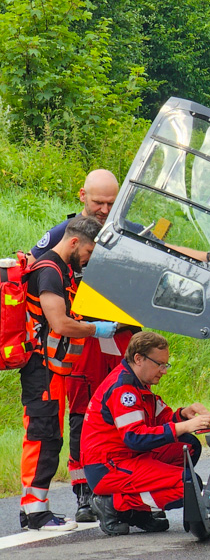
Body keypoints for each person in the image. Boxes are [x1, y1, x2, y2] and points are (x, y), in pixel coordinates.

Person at [28, 169, 136, 523]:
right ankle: (84, 493)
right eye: (98, 202)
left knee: (127, 403)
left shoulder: (126, 228)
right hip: (83, 337)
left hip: (119, 334)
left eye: (111, 202)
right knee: (81, 412)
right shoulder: (64, 238)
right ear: (82, 197)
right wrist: (94, 328)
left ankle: (125, 485)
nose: (105, 210)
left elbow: (164, 250)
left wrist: (209, 257)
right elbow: (34, 266)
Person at [20, 215, 118, 531]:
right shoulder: (49, 272)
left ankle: (36, 510)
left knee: (50, 436)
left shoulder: (63, 270)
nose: (88, 260)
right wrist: (96, 329)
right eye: (89, 252)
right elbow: (60, 324)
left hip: (53, 371)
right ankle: (35, 513)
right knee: (42, 436)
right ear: (74, 242)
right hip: (41, 371)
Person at [81, 331, 210, 536]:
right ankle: (115, 504)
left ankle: (138, 509)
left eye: (166, 365)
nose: (164, 371)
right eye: (159, 364)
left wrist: (183, 415)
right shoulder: (123, 389)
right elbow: (135, 438)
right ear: (138, 359)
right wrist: (184, 426)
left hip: (126, 457)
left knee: (188, 446)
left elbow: (162, 419)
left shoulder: (138, 382)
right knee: (188, 485)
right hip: (108, 466)